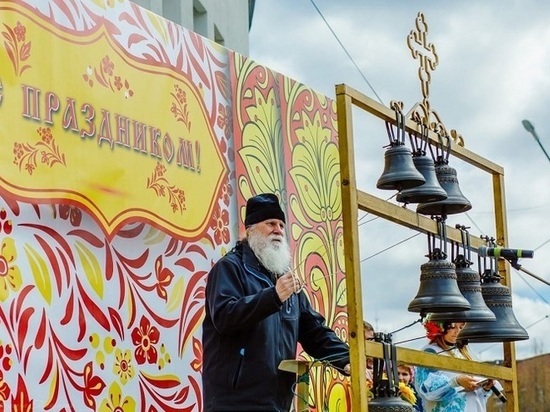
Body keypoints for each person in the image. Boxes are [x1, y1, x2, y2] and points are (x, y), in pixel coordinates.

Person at [202, 193, 350, 411]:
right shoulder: (230, 268)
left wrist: (346, 359)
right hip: (234, 403)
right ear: (250, 230)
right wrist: (273, 296)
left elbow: (314, 332)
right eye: (270, 223)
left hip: (277, 404)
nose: (278, 230)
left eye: (281, 225)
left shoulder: (285, 281)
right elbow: (225, 317)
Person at [414, 318, 500, 412]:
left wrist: (485, 389)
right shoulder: (430, 352)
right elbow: (428, 390)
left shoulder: (465, 354)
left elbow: (474, 397)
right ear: (440, 327)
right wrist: (456, 382)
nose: (457, 331)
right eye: (453, 326)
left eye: (461, 327)